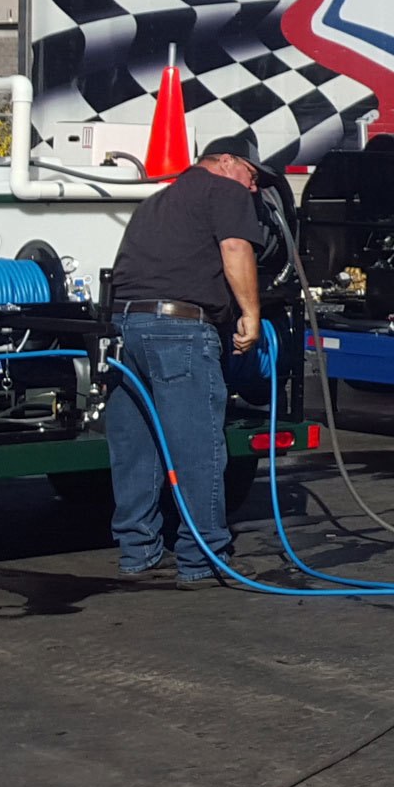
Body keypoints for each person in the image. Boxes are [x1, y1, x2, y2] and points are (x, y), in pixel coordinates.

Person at [101, 131, 266, 586]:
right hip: (179, 330)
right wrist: (251, 315)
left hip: (124, 329)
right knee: (197, 445)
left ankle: (137, 551)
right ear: (227, 162)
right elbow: (236, 248)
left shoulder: (156, 202)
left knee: (136, 447)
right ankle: (202, 558)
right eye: (252, 175)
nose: (254, 187)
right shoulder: (226, 191)